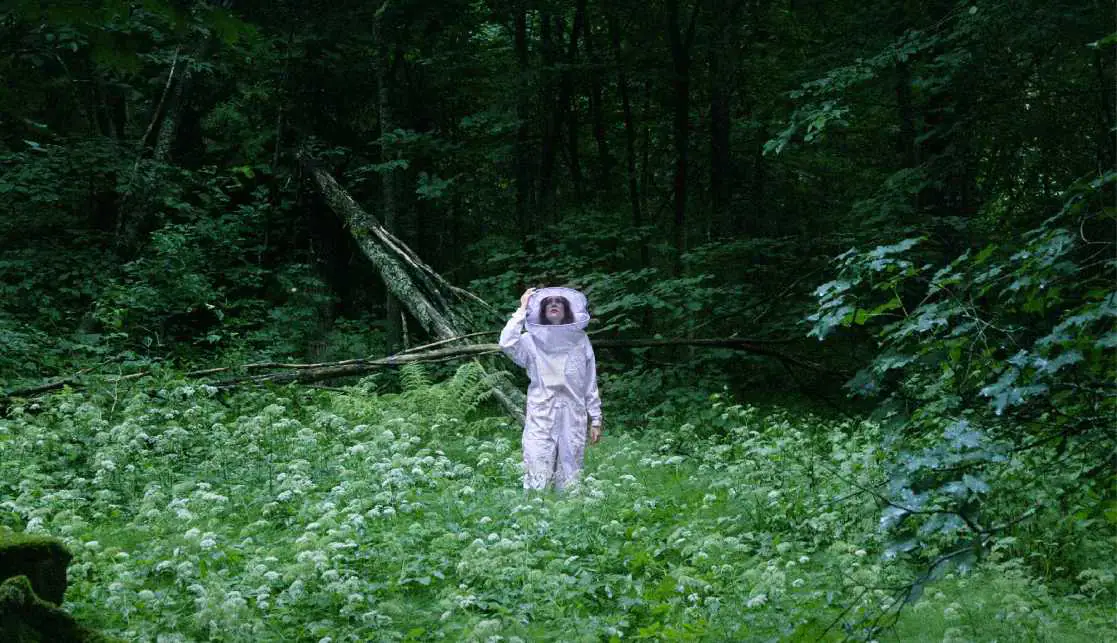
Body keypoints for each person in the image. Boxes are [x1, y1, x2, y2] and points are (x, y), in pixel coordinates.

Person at [499, 287, 603, 491]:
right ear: (542, 310)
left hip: (573, 412)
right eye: (549, 302)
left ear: (567, 309)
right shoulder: (530, 340)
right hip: (541, 411)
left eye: (559, 302)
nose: (554, 304)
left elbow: (589, 381)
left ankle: (568, 507)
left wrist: (596, 419)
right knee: (536, 461)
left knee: (570, 468)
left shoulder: (581, 340)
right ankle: (535, 506)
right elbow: (506, 342)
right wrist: (522, 309)